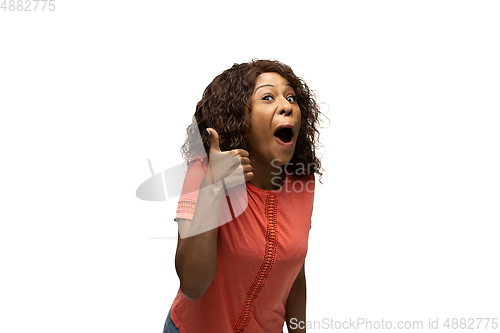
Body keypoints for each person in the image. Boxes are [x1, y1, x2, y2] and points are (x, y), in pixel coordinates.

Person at [163, 59, 324, 333]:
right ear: (240, 118)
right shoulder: (204, 172)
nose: (286, 106)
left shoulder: (302, 181)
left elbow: (295, 269)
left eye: (291, 97)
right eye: (268, 97)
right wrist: (212, 190)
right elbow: (192, 285)